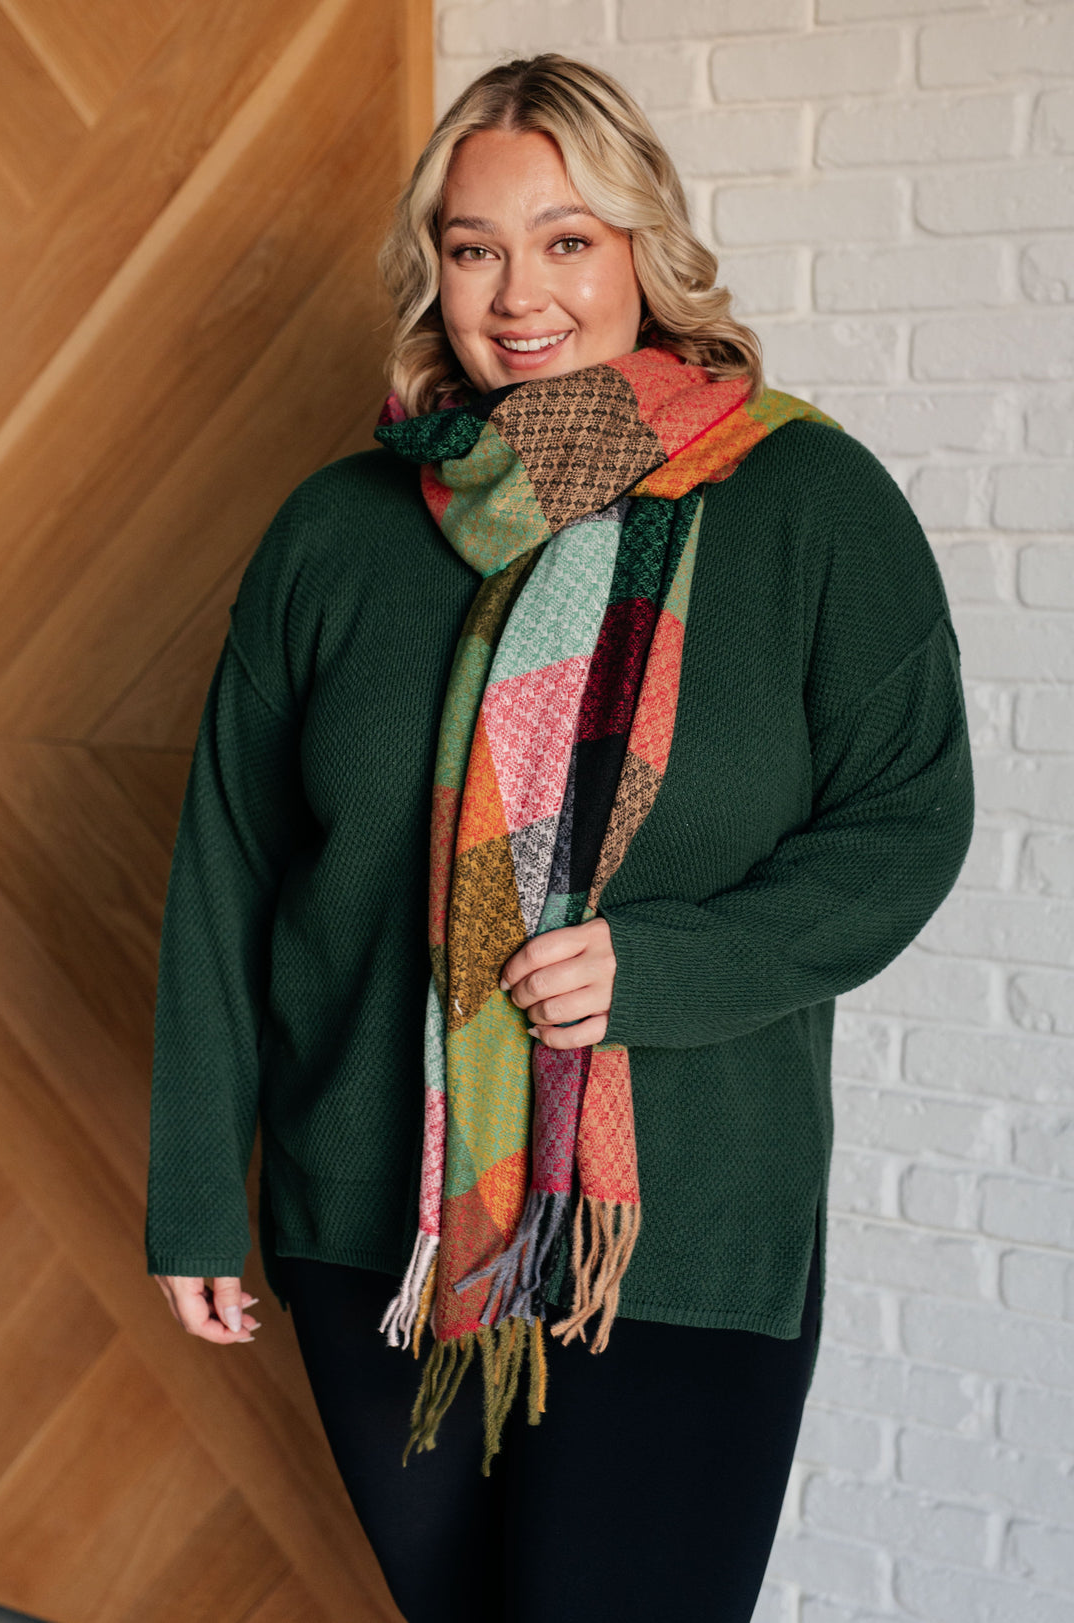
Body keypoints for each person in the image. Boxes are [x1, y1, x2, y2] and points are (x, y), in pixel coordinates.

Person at [146, 53, 974, 1623]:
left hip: (673, 1231)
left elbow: (906, 821)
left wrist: (665, 967)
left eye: (568, 240)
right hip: (376, 1222)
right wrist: (194, 1187)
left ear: (648, 249)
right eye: (474, 247)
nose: (518, 294)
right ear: (434, 270)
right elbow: (229, 868)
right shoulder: (337, 531)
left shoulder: (806, 502)